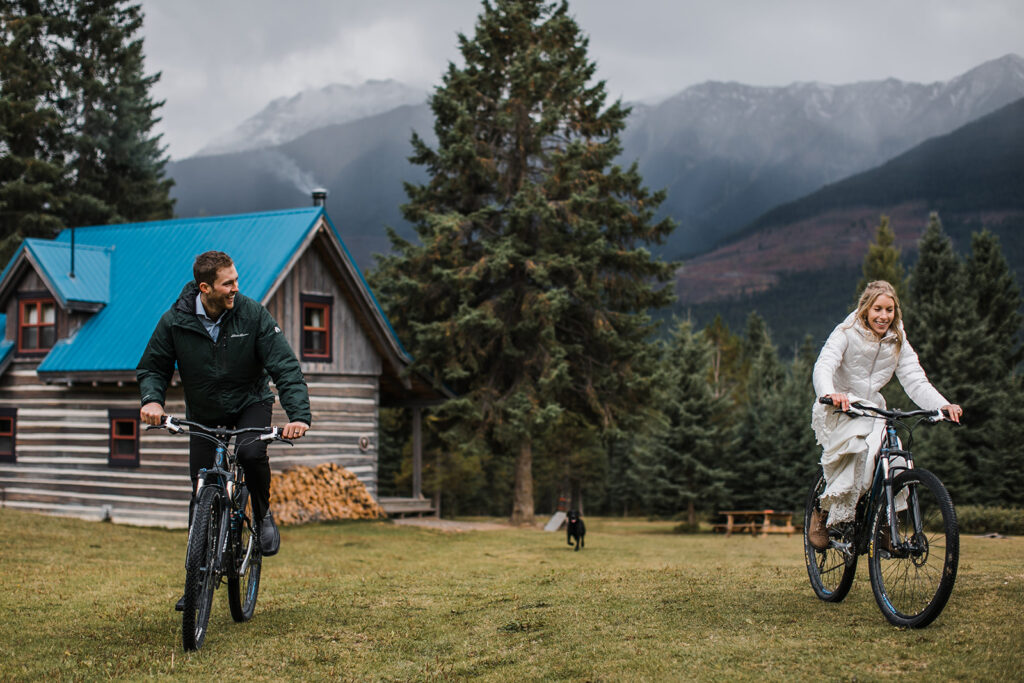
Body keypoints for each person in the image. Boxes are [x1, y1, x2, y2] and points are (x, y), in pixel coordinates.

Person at [137, 251, 311, 607]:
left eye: (235, 280)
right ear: (205, 288)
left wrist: (298, 416)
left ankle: (261, 512)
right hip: (204, 411)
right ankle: (195, 582)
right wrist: (152, 400)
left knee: (249, 452)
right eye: (227, 283)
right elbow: (153, 366)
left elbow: (285, 367)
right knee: (201, 488)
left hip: (250, 402)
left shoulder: (252, 314)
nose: (236, 288)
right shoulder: (175, 321)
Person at [808, 280, 961, 550]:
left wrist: (943, 404)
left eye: (889, 310)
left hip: (873, 407)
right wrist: (830, 393)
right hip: (841, 404)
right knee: (861, 455)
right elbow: (825, 363)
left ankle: (885, 523)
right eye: (878, 309)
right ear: (866, 308)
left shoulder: (896, 338)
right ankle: (821, 512)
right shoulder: (846, 331)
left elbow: (915, 379)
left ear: (895, 311)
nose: (883, 316)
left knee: (897, 459)